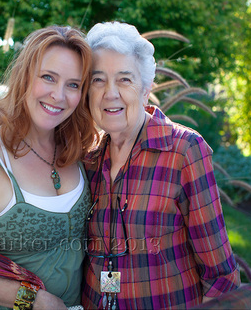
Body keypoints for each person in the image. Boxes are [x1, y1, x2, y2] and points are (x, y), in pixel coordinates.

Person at [82, 21, 240, 309]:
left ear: (145, 89)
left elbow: (220, 276)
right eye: (98, 80)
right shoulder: (88, 158)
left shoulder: (183, 150)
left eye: (125, 79)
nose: (110, 93)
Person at [0, 26, 96, 309]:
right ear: (24, 78)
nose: (59, 95)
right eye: (48, 77)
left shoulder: (78, 151)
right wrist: (34, 301)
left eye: (73, 85)